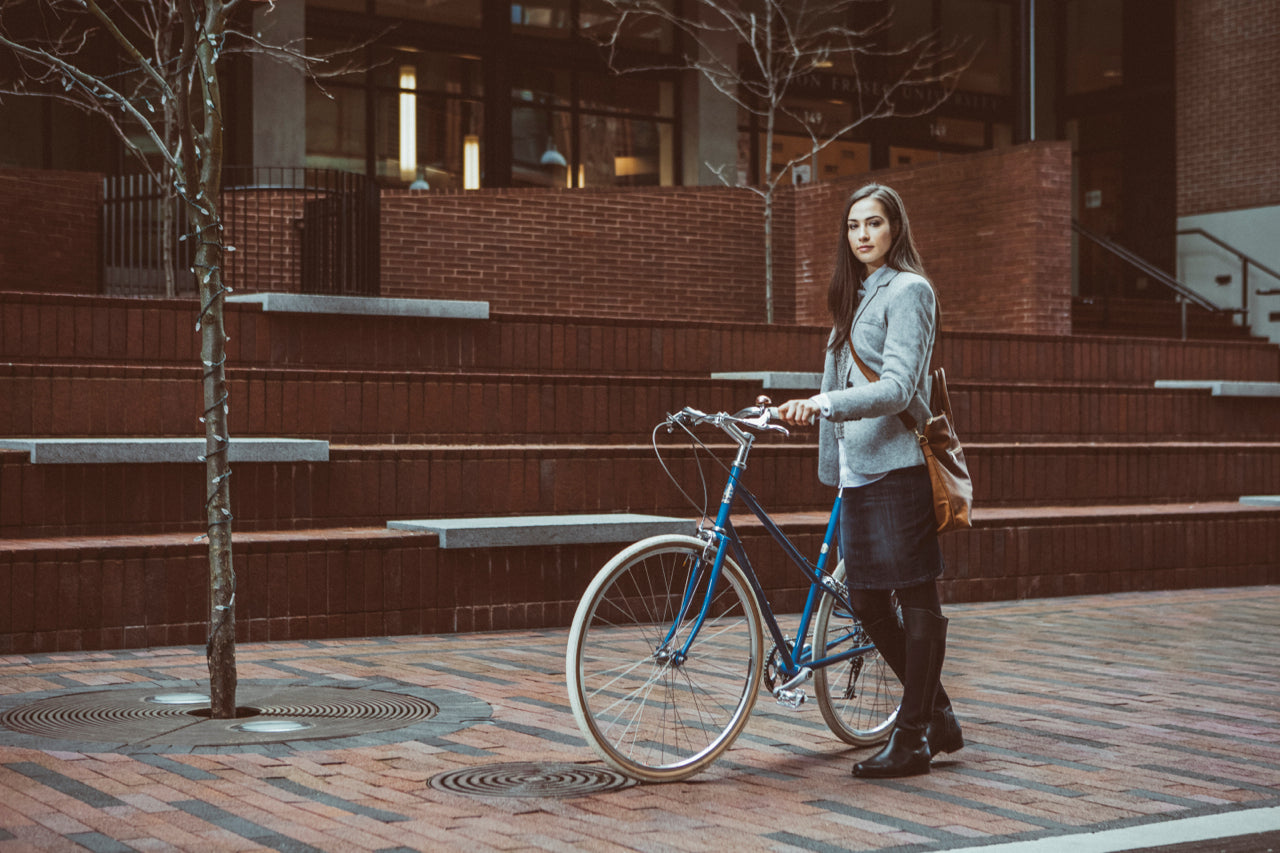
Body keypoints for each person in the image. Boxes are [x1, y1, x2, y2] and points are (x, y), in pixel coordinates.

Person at [778, 183, 963, 779]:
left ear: (895, 229)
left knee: (915, 598)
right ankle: (937, 713)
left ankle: (911, 738)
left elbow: (900, 387)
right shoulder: (854, 296)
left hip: (899, 469)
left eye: (874, 223)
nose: (862, 235)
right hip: (859, 473)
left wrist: (826, 402)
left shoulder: (908, 290)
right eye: (854, 225)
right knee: (863, 601)